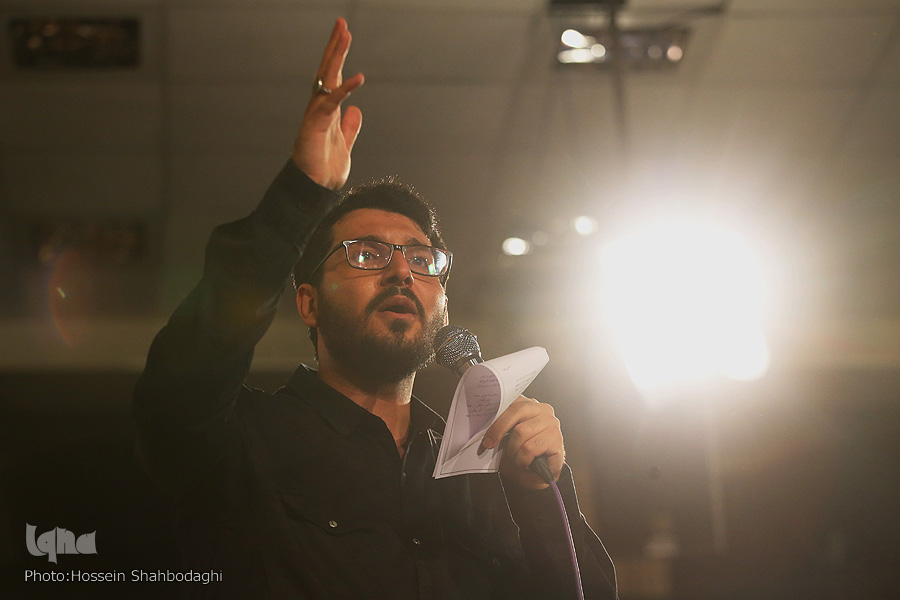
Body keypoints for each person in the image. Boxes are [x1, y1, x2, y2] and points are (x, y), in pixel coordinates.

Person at [134, 18, 617, 600]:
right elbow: (190, 364)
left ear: (442, 303)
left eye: (421, 258)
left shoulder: (491, 467)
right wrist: (301, 193)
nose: (401, 271)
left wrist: (540, 494)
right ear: (308, 303)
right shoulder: (241, 439)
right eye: (366, 255)